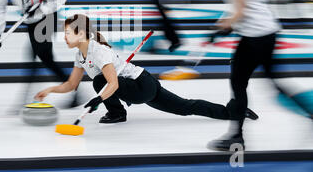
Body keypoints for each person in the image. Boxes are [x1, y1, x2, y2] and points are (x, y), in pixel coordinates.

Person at [34, 14, 258, 124]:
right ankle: (234, 112)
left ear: (81, 34)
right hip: (135, 86)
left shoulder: (98, 51)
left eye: (68, 33)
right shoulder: (80, 55)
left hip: (142, 85)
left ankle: (117, 112)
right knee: (184, 107)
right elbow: (72, 85)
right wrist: (50, 91)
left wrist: (98, 100)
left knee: (99, 82)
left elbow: (111, 84)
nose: (64, 37)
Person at [206, 0, 312, 152]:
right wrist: (223, 25)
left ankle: (236, 137)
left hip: (257, 37)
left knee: (238, 83)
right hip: (262, 33)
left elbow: (240, 11)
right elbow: (241, 9)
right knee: (271, 83)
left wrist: (221, 28)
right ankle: (310, 114)